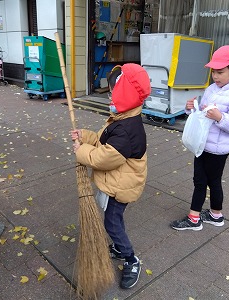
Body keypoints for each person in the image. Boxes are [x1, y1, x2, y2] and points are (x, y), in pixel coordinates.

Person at [70, 63, 151, 289]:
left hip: (121, 186)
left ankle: (130, 259)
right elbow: (101, 140)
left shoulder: (127, 129)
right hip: (116, 182)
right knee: (114, 220)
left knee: (112, 223)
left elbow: (103, 158)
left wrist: (81, 152)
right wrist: (85, 137)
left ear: (126, 94)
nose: (109, 97)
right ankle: (118, 246)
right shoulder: (121, 119)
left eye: (114, 92)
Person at [171, 44, 229, 231]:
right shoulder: (213, 88)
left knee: (202, 181)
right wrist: (191, 107)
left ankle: (193, 219)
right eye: (213, 71)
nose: (215, 76)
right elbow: (203, 112)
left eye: (220, 72)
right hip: (203, 143)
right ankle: (216, 215)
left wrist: (220, 117)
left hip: (218, 148)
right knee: (212, 181)